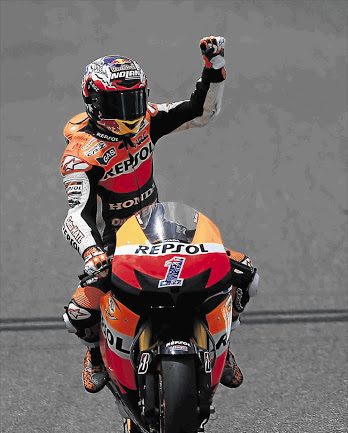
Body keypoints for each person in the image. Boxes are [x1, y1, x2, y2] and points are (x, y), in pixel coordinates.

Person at [61, 36, 258, 393]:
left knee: (245, 276)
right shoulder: (81, 154)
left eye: (134, 99)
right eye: (116, 103)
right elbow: (76, 216)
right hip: (114, 247)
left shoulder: (147, 120)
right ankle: (94, 353)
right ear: (93, 102)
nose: (129, 111)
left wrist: (213, 70)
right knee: (78, 314)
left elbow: (200, 111)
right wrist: (92, 255)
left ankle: (222, 345)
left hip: (159, 228)